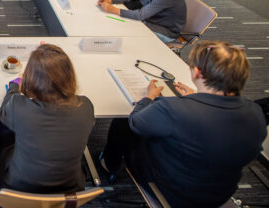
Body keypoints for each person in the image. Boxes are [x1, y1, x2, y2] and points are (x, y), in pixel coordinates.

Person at [100, 40, 266, 207]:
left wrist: (149, 97)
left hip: (171, 191)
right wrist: (197, 96)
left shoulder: (174, 109)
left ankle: (109, 164)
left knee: (123, 122)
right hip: (219, 195)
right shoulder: (255, 113)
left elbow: (136, 122)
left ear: (197, 72)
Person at [0, 44, 95, 194]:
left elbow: (3, 113)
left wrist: (14, 86)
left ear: (31, 77)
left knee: (3, 133)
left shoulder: (18, 106)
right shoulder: (86, 106)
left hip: (18, 185)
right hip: (70, 187)